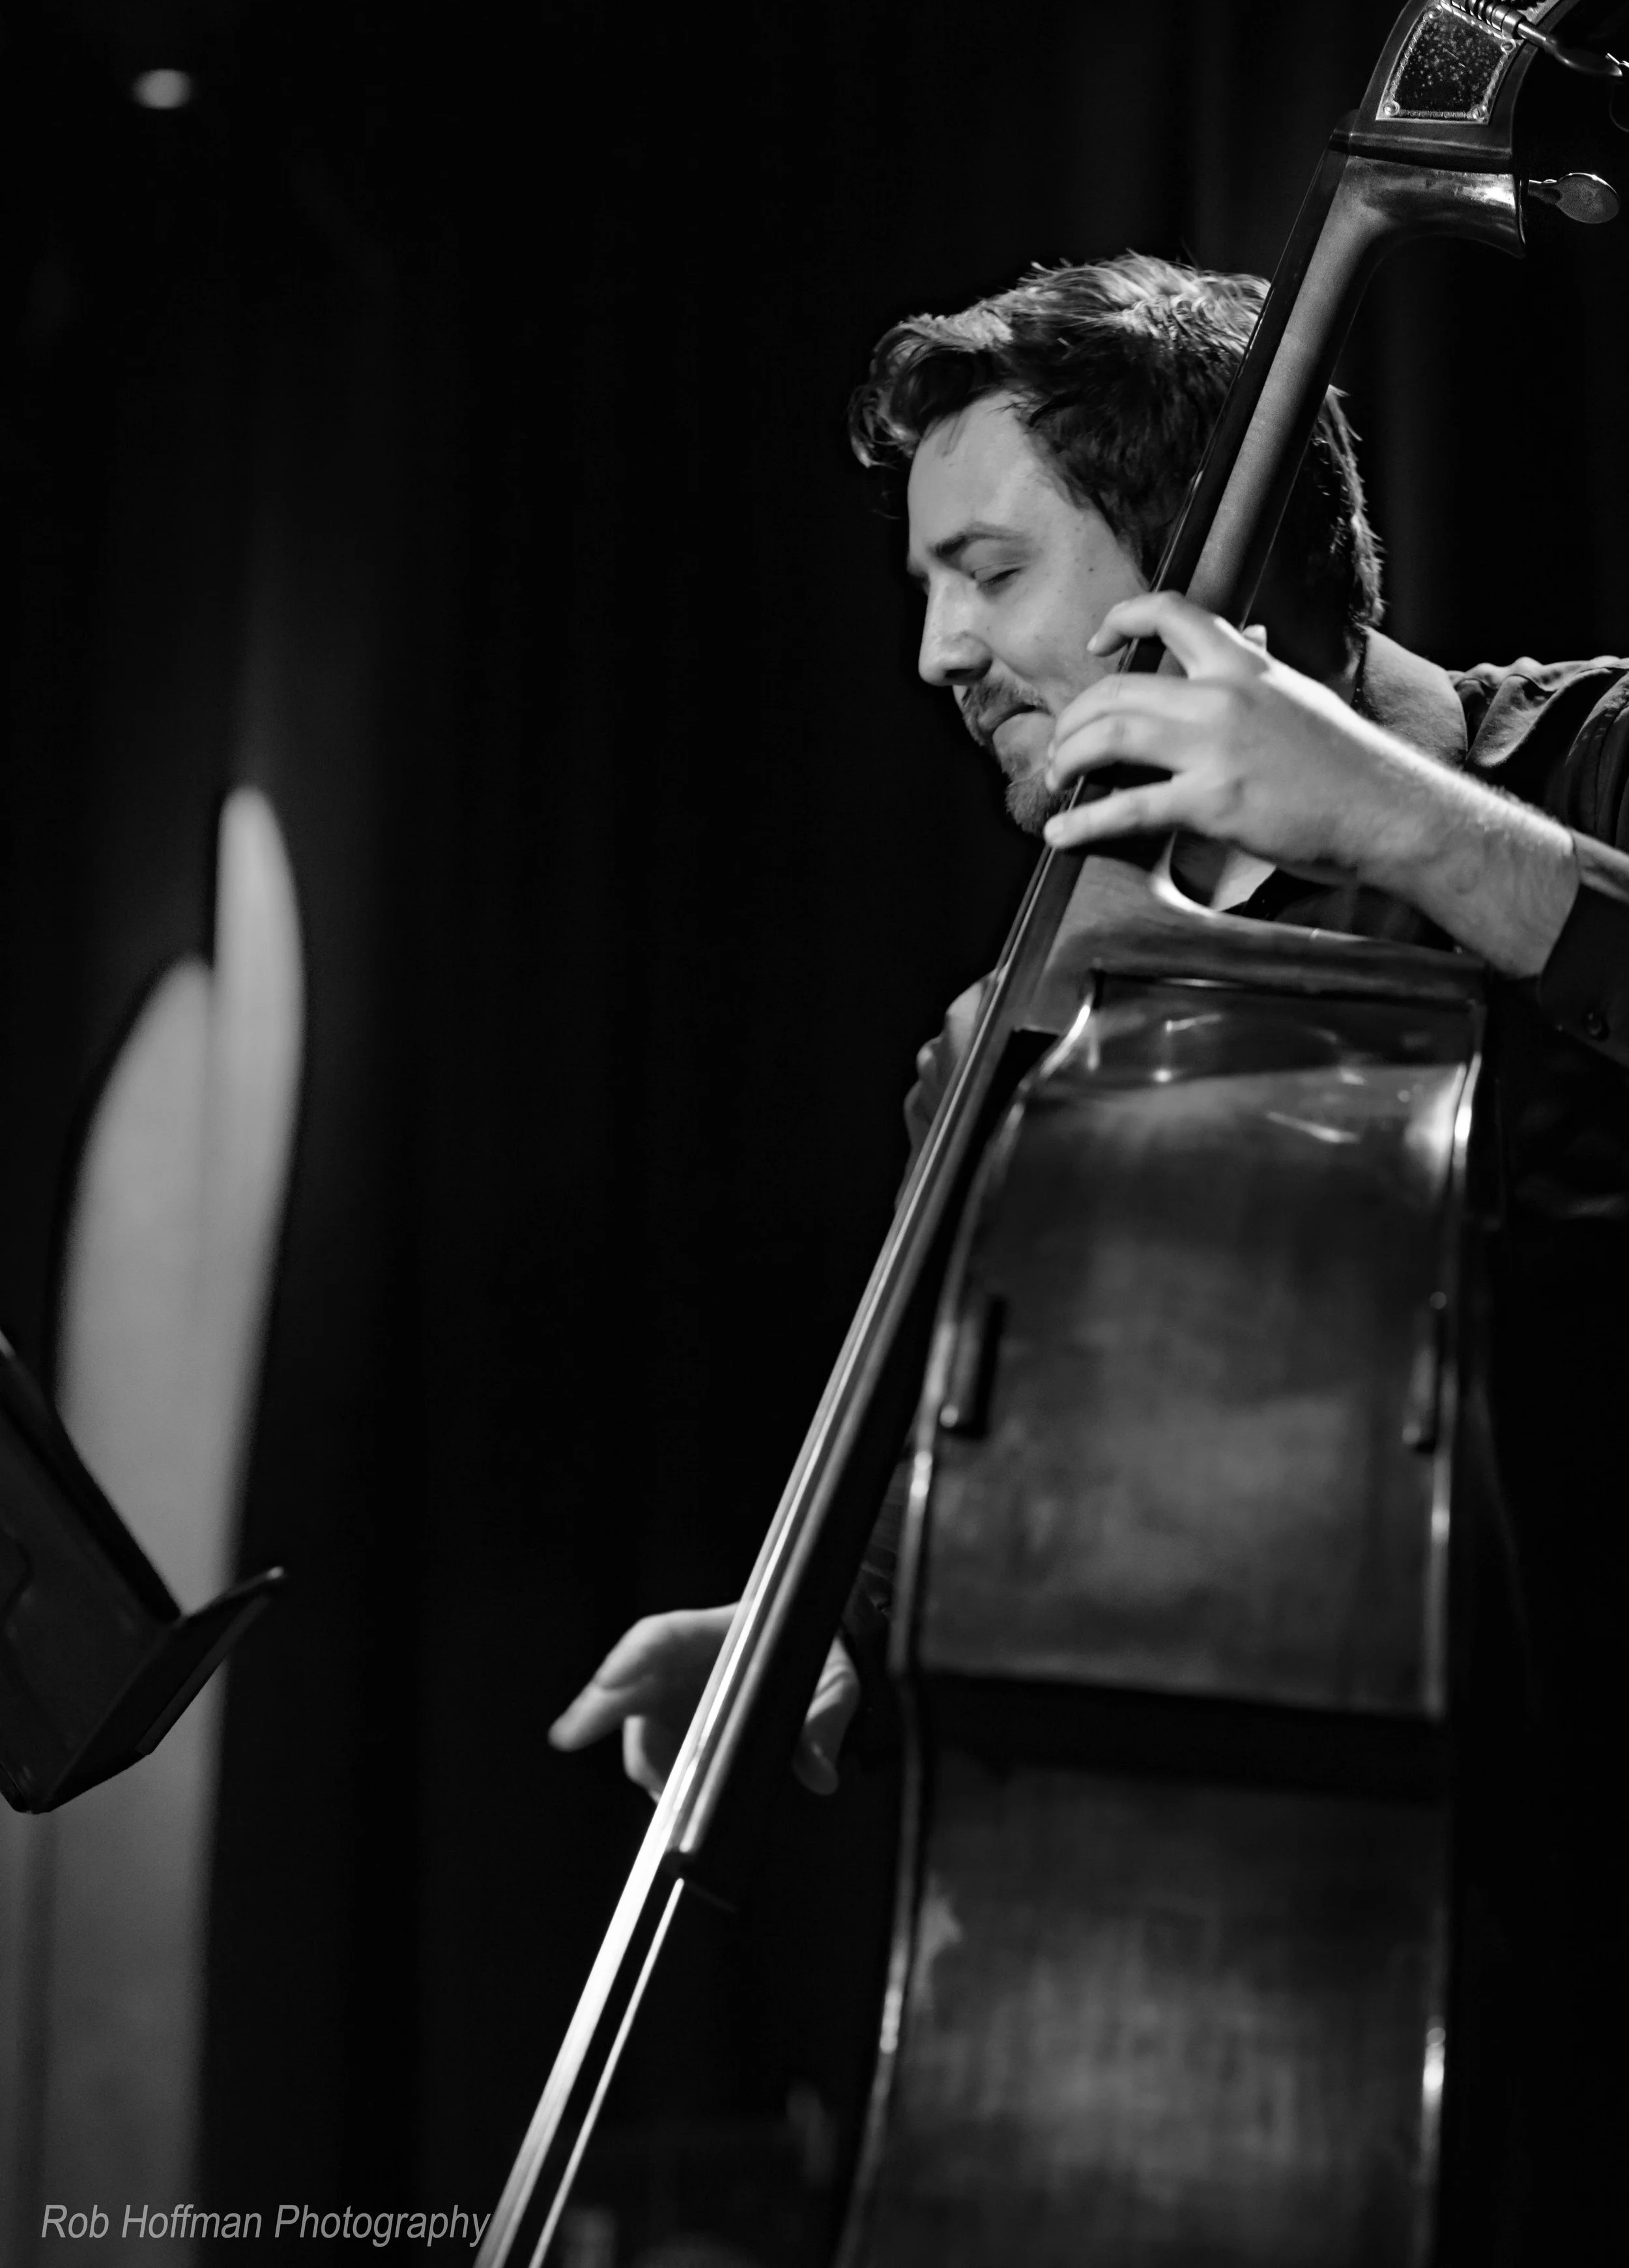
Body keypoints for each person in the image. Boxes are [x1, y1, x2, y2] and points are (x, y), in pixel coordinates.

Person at [550, 253, 1629, 1799]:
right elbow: (979, 1482)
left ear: (1209, 550)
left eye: (990, 574)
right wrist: (833, 1632)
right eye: (927, 589)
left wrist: (1394, 822)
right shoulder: (1023, 1037)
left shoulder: (1591, 765)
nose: (937, 652)